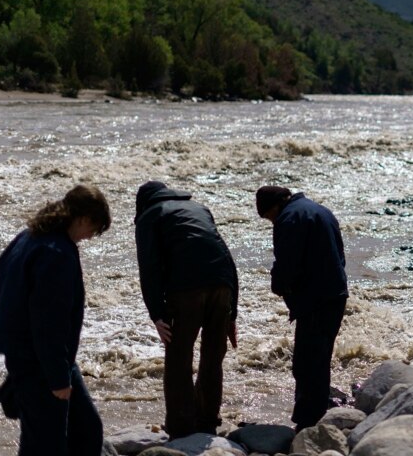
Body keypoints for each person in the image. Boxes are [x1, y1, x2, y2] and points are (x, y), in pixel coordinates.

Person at [0, 184, 112, 456]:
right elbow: (48, 322)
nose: (91, 236)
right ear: (82, 218)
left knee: (86, 429)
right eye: (94, 228)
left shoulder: (28, 237)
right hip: (41, 361)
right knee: (46, 444)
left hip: (37, 355)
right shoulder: (57, 253)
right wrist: (57, 377)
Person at [134, 181, 239, 439]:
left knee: (179, 357)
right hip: (222, 283)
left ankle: (181, 428)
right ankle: (207, 421)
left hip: (187, 289)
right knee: (213, 355)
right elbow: (225, 255)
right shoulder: (198, 208)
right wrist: (232, 313)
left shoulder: (150, 216)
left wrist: (157, 314)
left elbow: (149, 268)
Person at [255, 185, 348, 430]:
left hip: (314, 299)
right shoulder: (320, 210)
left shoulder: (289, 218)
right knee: (319, 358)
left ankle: (308, 423)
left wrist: (278, 285)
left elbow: (287, 263)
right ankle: (315, 414)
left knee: (306, 364)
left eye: (268, 216)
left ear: (275, 206)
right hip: (335, 294)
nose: (271, 221)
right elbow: (340, 255)